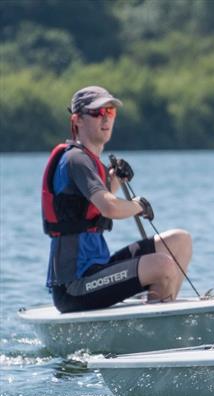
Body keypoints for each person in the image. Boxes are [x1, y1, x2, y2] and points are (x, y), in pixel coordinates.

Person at [42, 85, 192, 313]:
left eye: (110, 112)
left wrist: (114, 180)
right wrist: (138, 205)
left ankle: (160, 310)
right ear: (77, 120)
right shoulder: (76, 160)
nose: (106, 119)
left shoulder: (90, 162)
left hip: (98, 268)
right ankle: (157, 322)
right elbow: (108, 207)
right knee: (162, 264)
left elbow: (92, 207)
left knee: (180, 241)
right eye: (97, 113)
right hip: (74, 286)